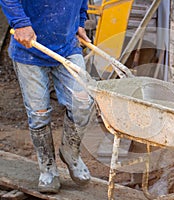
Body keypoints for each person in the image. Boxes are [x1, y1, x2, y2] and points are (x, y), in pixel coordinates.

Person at [0, 0, 94, 193]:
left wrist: (79, 23)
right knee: (39, 112)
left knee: (83, 103)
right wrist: (20, 22)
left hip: (67, 46)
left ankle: (70, 152)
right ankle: (48, 167)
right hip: (30, 48)